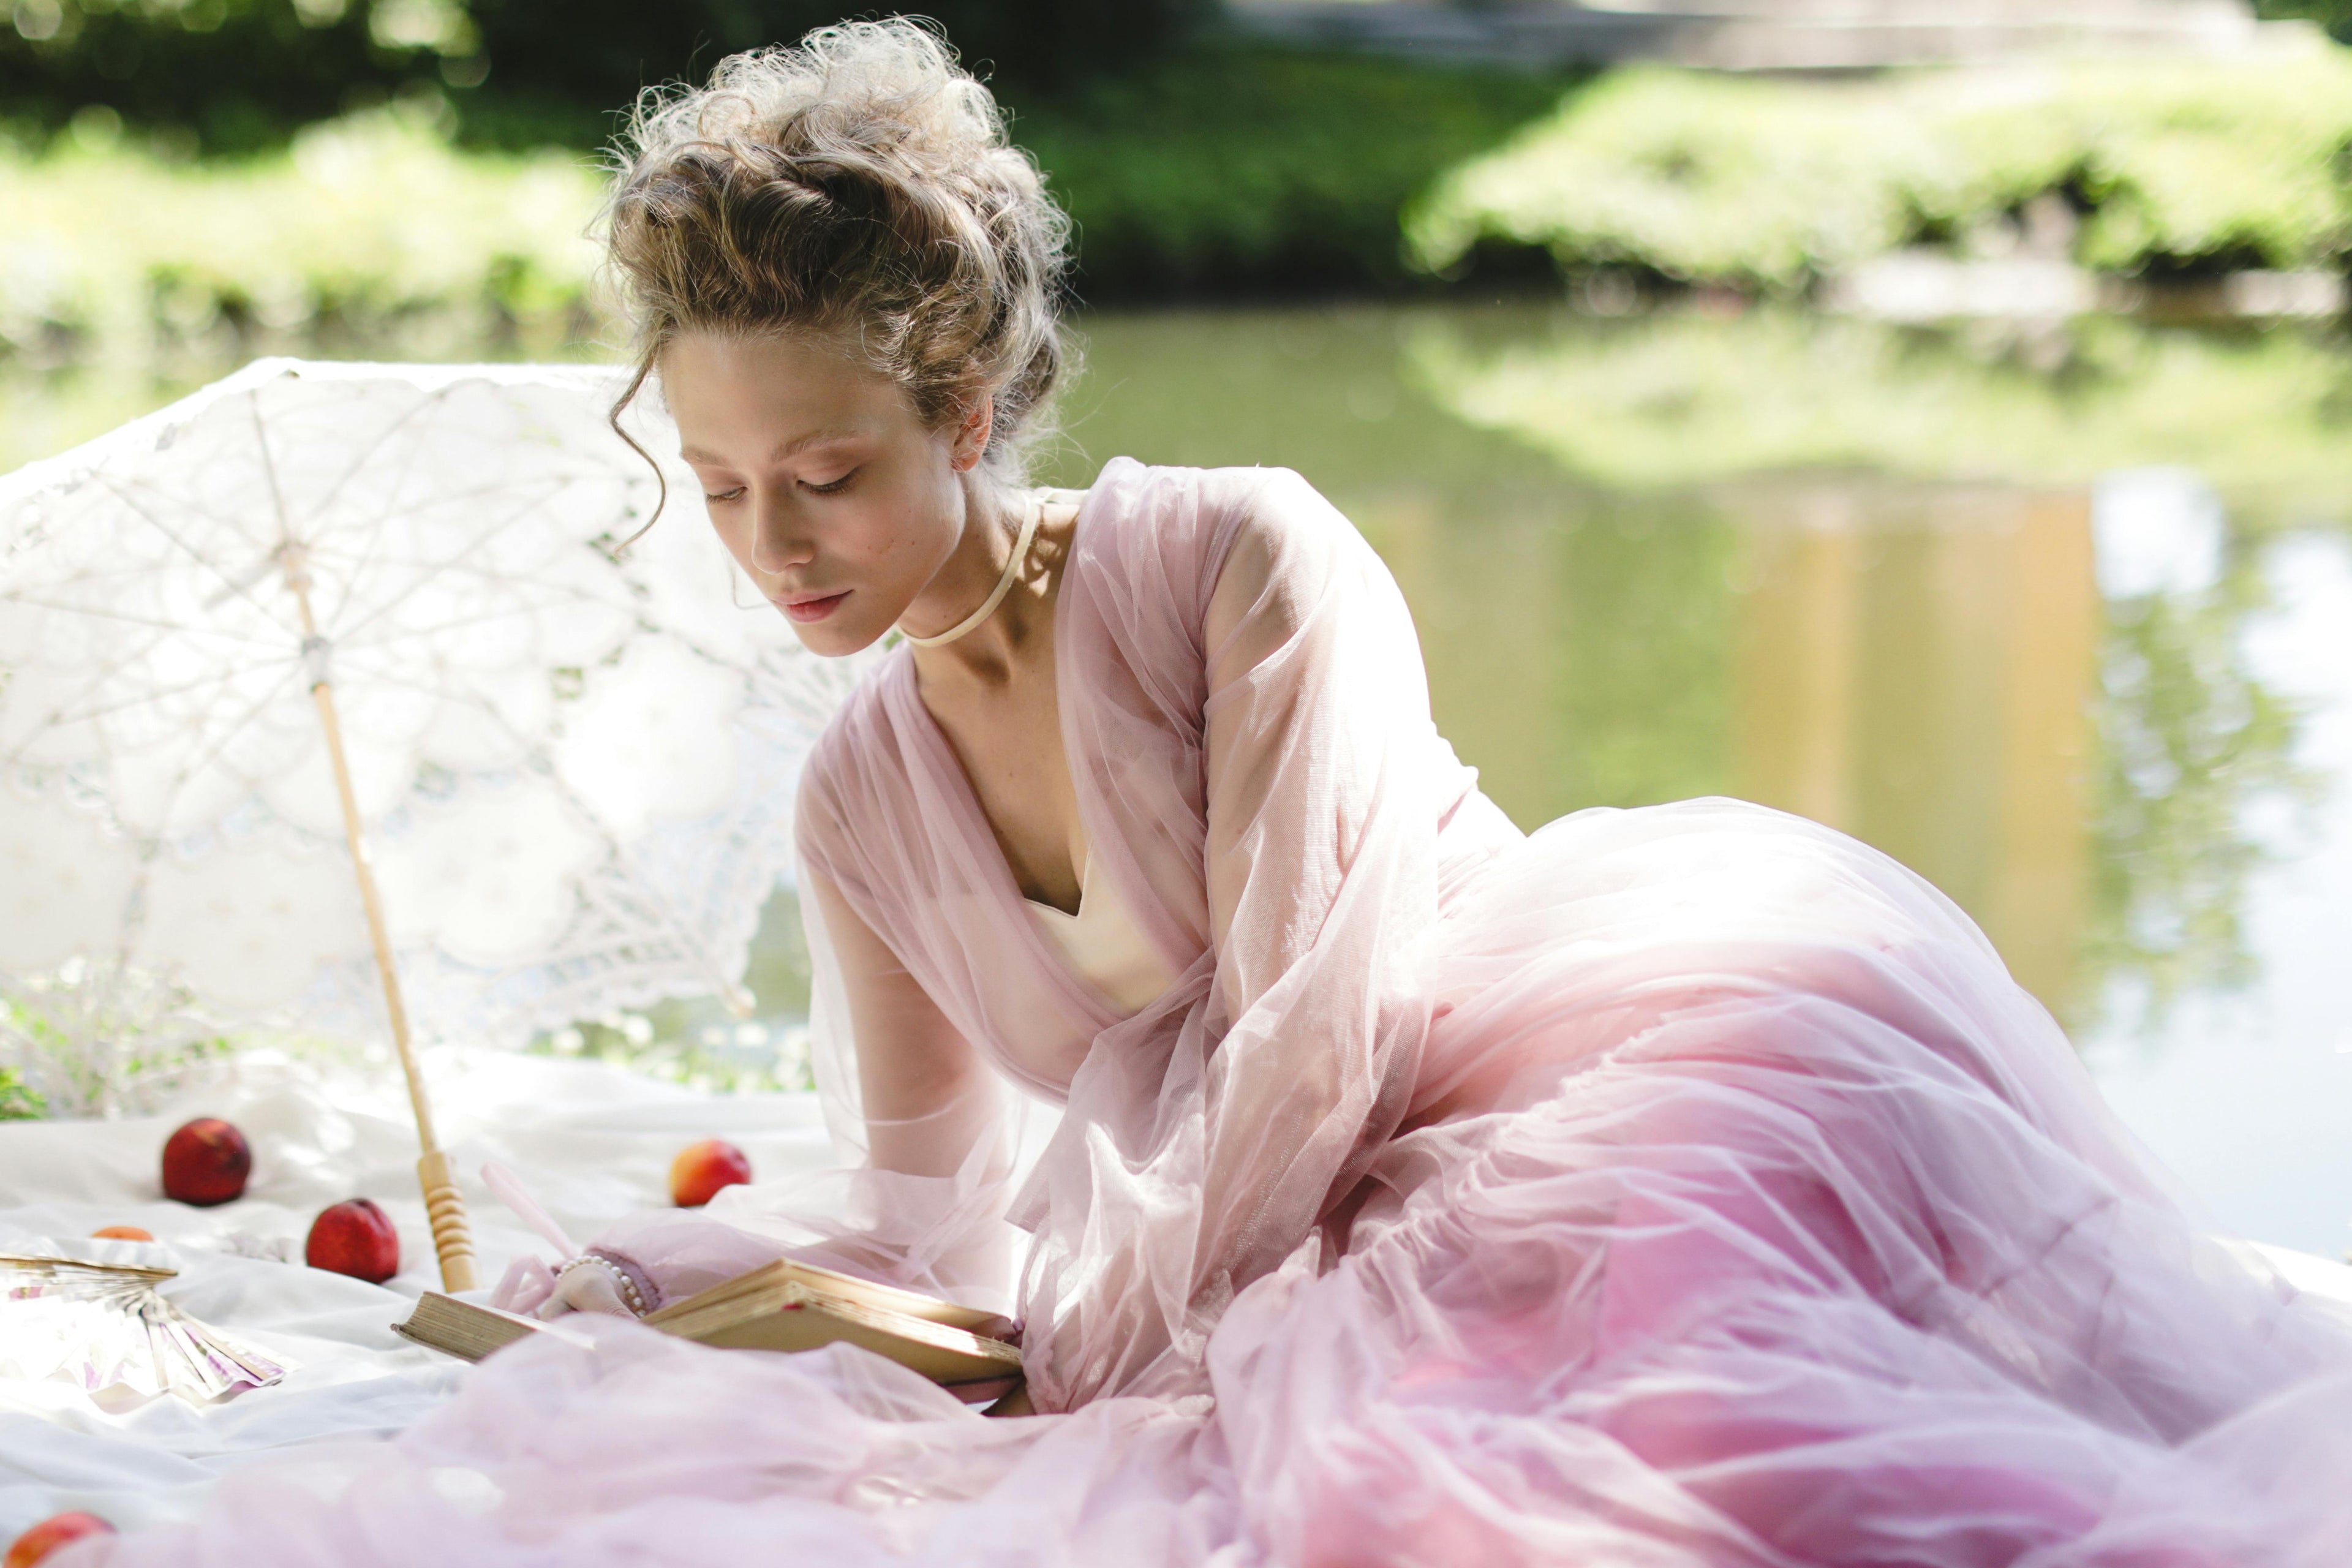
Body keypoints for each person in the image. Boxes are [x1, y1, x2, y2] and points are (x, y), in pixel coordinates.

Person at [75, 19, 2352, 1567]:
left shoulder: (1233, 556)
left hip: (1587, 1080)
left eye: (832, 474)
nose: (775, 549)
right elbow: (918, 1233)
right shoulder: (862, 798)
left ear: (967, 406)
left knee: (1573, 1453)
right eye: (727, 486)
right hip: (1271, 1234)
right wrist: (636, 1282)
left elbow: (1318, 1035)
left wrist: (1105, 1351)